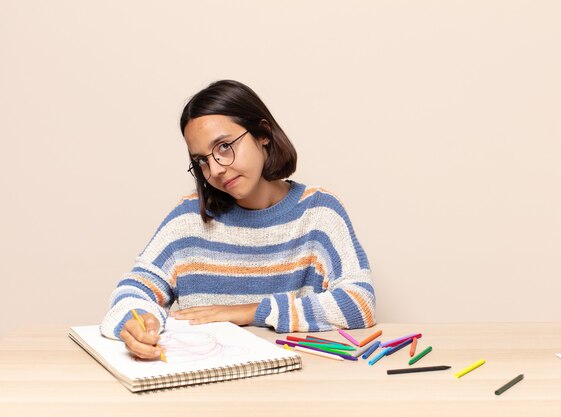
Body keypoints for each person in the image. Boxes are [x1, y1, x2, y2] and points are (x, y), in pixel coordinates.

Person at [100, 80, 375, 360]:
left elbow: (359, 302)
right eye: (202, 160)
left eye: (224, 146)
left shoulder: (318, 212)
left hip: (294, 388)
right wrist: (138, 322)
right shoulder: (188, 218)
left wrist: (249, 312)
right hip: (204, 389)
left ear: (263, 134)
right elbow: (133, 291)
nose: (216, 169)